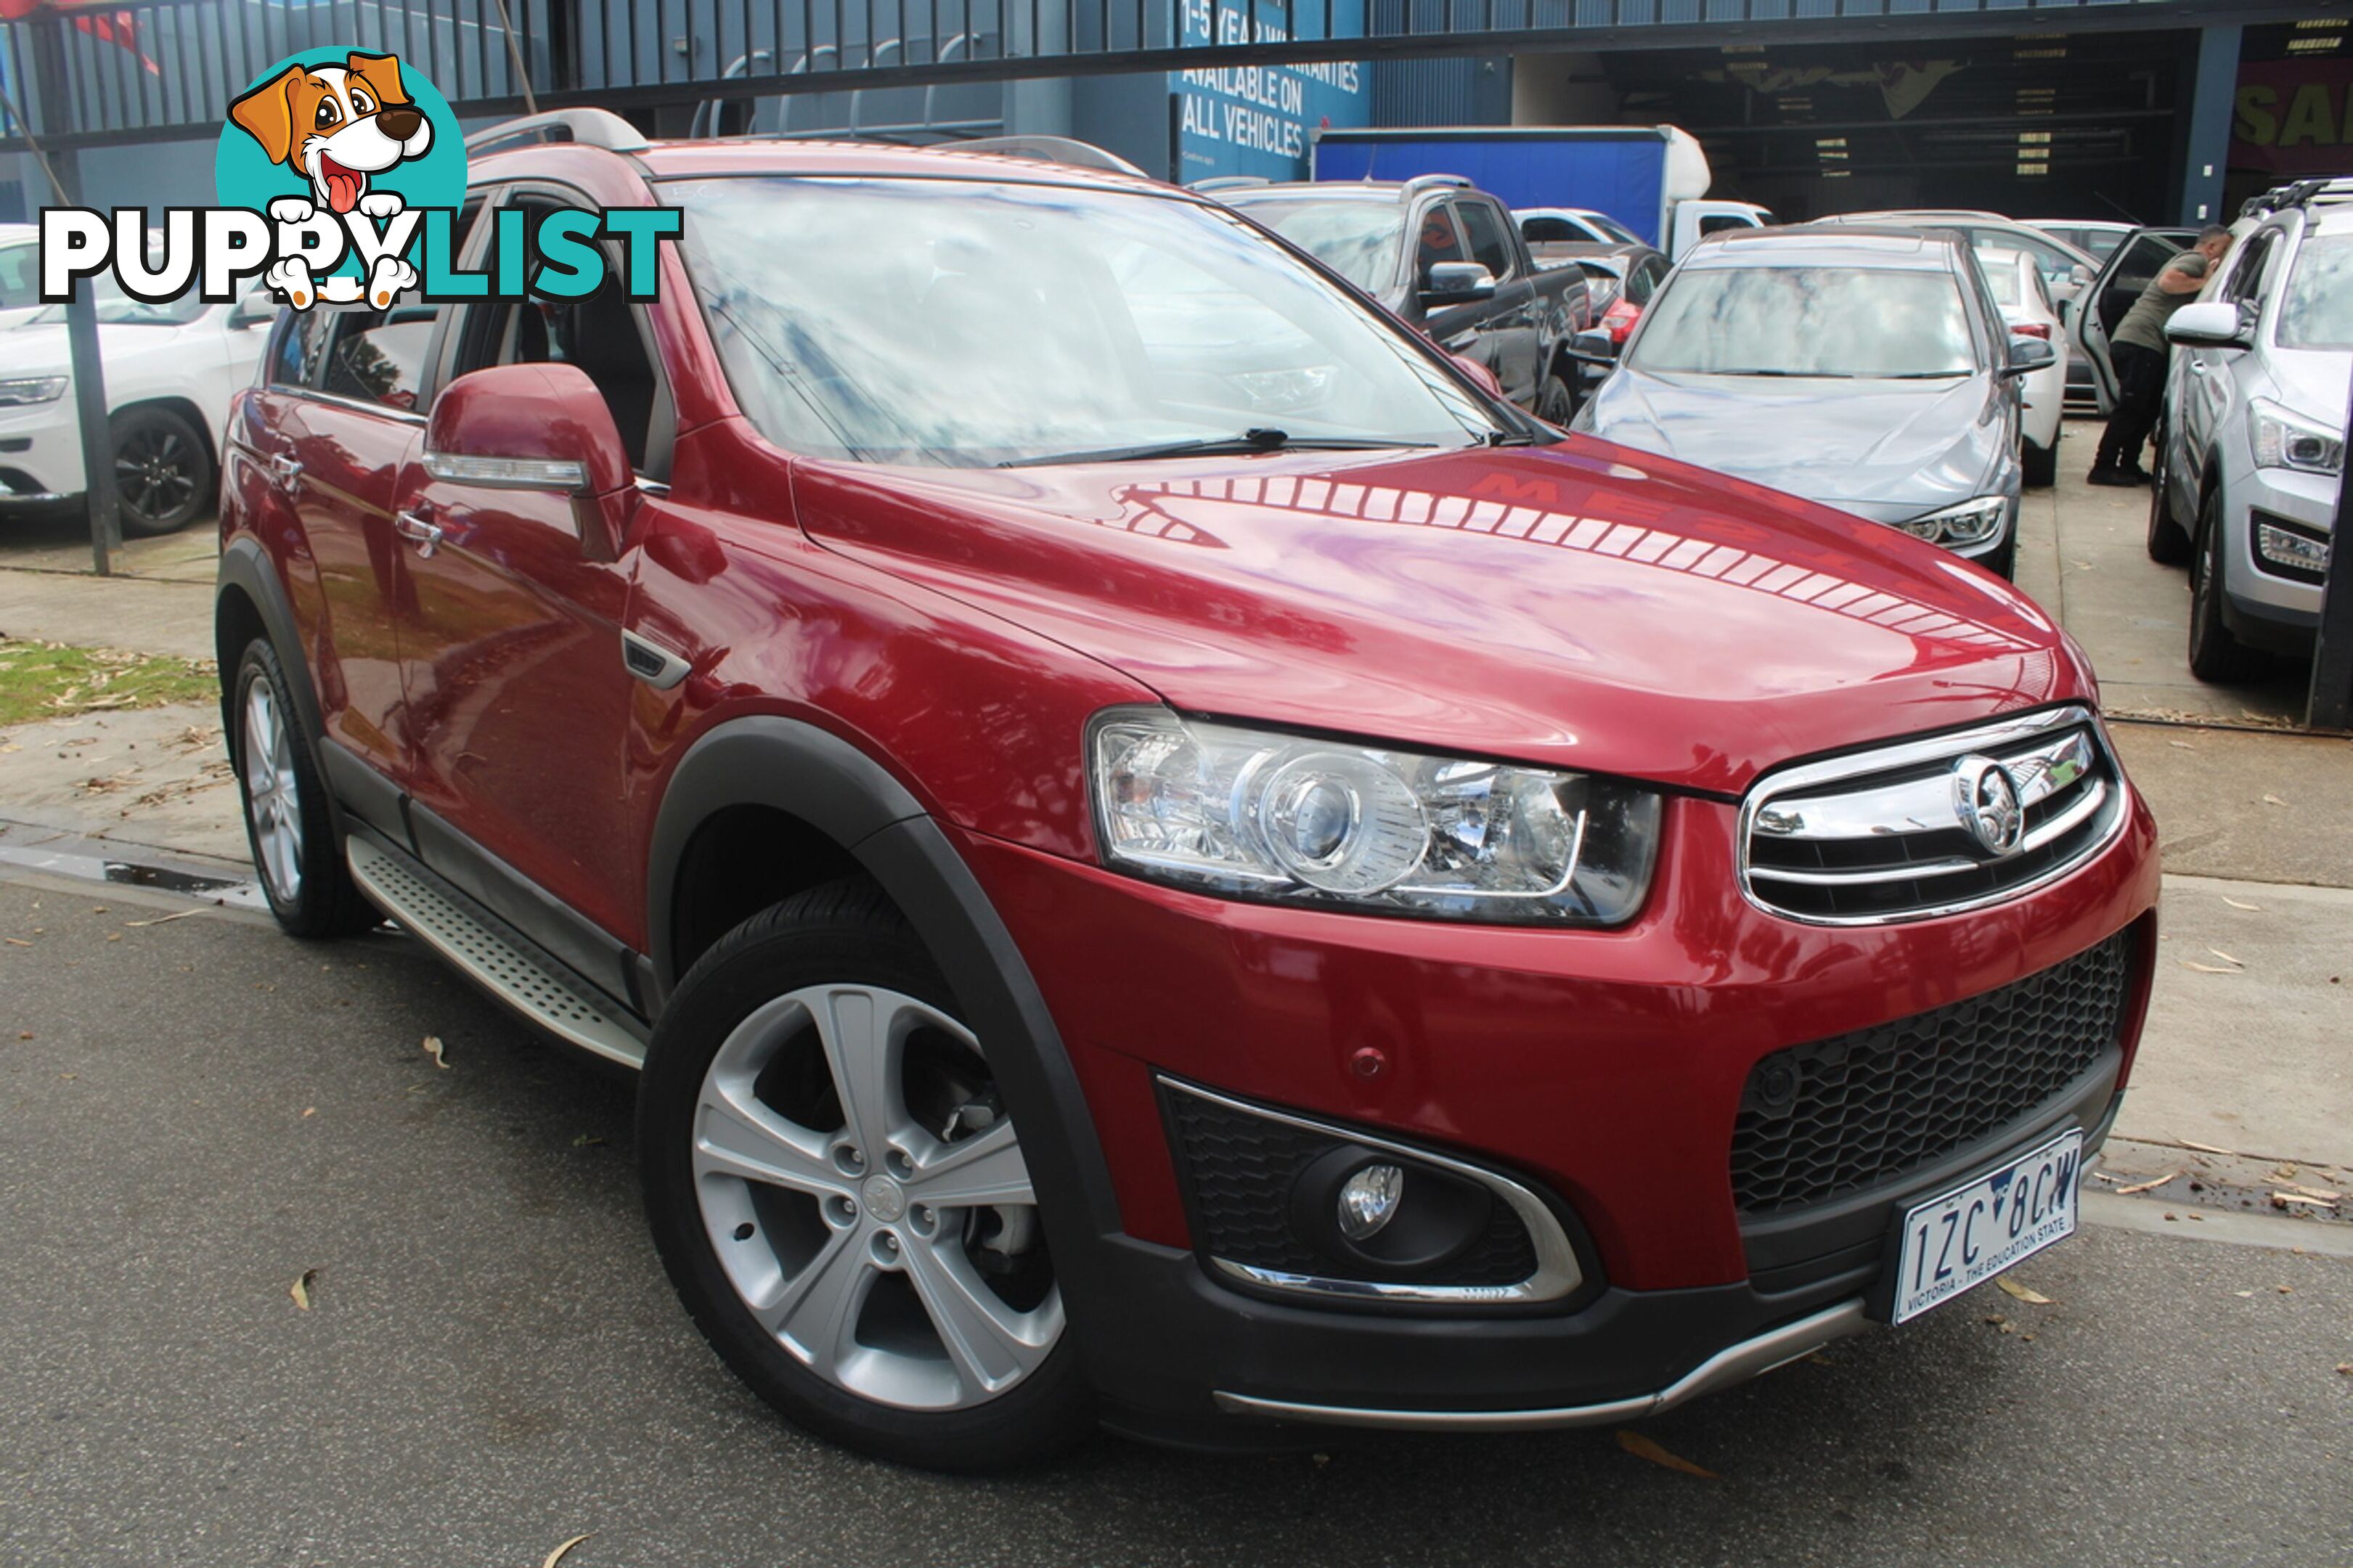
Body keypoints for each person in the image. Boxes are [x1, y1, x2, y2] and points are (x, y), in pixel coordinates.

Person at [2088, 225, 2234, 486]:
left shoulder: (2199, 261)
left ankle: (2128, 464)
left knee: (2147, 409)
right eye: (2225, 249)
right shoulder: (2196, 259)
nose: (2224, 257)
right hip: (2140, 342)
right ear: (2211, 247)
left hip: (2145, 344)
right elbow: (2168, 281)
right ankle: (2103, 466)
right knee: (2132, 408)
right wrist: (2208, 281)